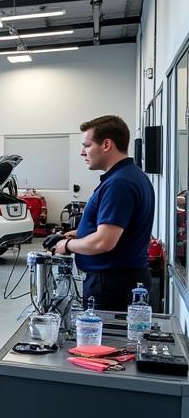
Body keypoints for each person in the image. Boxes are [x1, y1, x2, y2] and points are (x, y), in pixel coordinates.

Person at [53, 115, 155, 311]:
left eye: (87, 145)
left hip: (112, 286)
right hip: (122, 281)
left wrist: (66, 245)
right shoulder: (131, 176)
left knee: (105, 341)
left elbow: (104, 242)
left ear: (107, 144)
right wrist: (81, 233)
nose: (83, 152)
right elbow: (121, 228)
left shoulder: (119, 183)